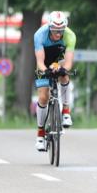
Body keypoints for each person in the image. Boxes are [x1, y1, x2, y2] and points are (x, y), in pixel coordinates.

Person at [33, 11, 76, 151]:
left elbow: (68, 63)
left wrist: (63, 69)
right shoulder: (39, 35)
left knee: (64, 74)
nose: (58, 33)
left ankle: (65, 110)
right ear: (49, 27)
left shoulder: (70, 36)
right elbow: (39, 61)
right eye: (55, 30)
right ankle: (40, 133)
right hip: (44, 62)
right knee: (43, 96)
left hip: (59, 59)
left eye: (61, 30)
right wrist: (45, 71)